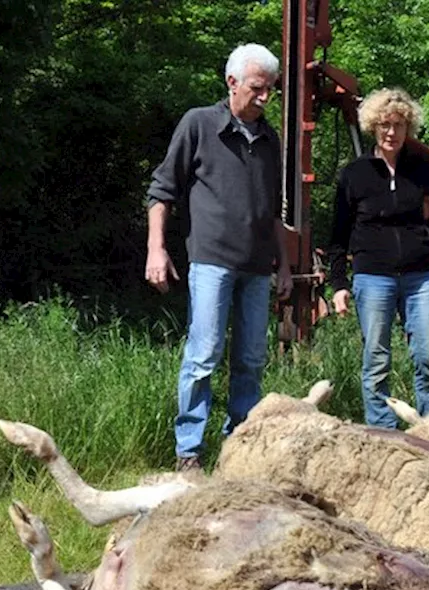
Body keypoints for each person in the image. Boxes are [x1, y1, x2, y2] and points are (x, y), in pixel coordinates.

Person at [145, 43, 293, 471]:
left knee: (250, 358)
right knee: (204, 352)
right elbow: (161, 191)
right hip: (211, 260)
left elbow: (272, 212)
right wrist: (157, 248)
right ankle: (188, 450)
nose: (265, 97)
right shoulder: (199, 124)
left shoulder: (269, 139)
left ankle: (239, 448)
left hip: (257, 265)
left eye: (271, 90)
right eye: (257, 88)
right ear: (232, 83)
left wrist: (283, 264)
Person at [327, 88, 429, 428]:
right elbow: (337, 235)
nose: (391, 132)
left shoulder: (421, 169)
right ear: (373, 127)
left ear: (409, 128)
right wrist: (338, 284)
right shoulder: (355, 174)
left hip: (419, 275)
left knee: (427, 355)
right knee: (376, 358)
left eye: (399, 125)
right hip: (372, 276)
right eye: (384, 125)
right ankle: (383, 431)